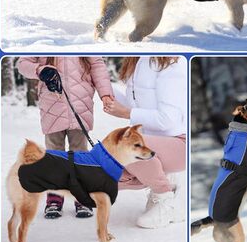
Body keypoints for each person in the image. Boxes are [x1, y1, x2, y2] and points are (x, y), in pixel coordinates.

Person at [17, 57, 113, 219]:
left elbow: (97, 64)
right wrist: (41, 70)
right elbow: (22, 64)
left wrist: (105, 94)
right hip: (51, 104)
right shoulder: (44, 40)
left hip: (81, 104)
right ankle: (55, 197)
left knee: (80, 155)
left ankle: (81, 198)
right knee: (54, 155)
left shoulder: (83, 43)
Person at [103, 56, 186, 228]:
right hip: (151, 143)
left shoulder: (172, 63)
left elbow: (168, 120)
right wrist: (101, 86)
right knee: (104, 175)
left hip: (179, 143)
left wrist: (127, 113)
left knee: (126, 146)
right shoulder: (138, 59)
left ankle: (166, 199)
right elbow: (135, 104)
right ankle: (164, 184)